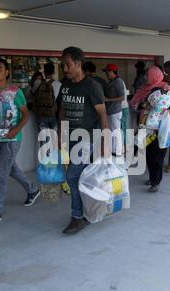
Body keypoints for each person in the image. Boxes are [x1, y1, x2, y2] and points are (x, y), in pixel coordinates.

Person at [0, 58, 40, 224]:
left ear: (7, 72)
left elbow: (26, 114)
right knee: (11, 169)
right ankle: (32, 190)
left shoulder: (14, 91)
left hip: (12, 139)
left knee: (1, 175)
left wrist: (16, 130)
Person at [57, 46, 109, 235]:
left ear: (78, 64)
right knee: (82, 179)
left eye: (68, 65)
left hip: (86, 140)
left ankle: (77, 217)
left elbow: (103, 115)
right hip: (69, 140)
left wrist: (105, 143)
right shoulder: (65, 86)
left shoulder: (92, 86)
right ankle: (89, 211)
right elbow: (62, 111)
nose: (65, 69)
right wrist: (61, 137)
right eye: (63, 65)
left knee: (72, 177)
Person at [130, 65, 170, 192]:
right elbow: (134, 103)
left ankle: (156, 182)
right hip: (146, 128)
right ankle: (152, 177)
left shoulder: (166, 88)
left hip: (161, 129)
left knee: (158, 156)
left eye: (147, 75)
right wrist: (143, 105)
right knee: (148, 155)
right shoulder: (144, 89)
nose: (145, 78)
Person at [103, 63, 125, 156]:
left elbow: (122, 97)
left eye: (107, 71)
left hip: (115, 111)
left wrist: (108, 99)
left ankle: (118, 151)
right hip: (110, 111)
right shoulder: (111, 82)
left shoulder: (118, 81)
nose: (106, 73)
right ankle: (113, 150)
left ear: (113, 72)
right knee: (112, 132)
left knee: (116, 132)